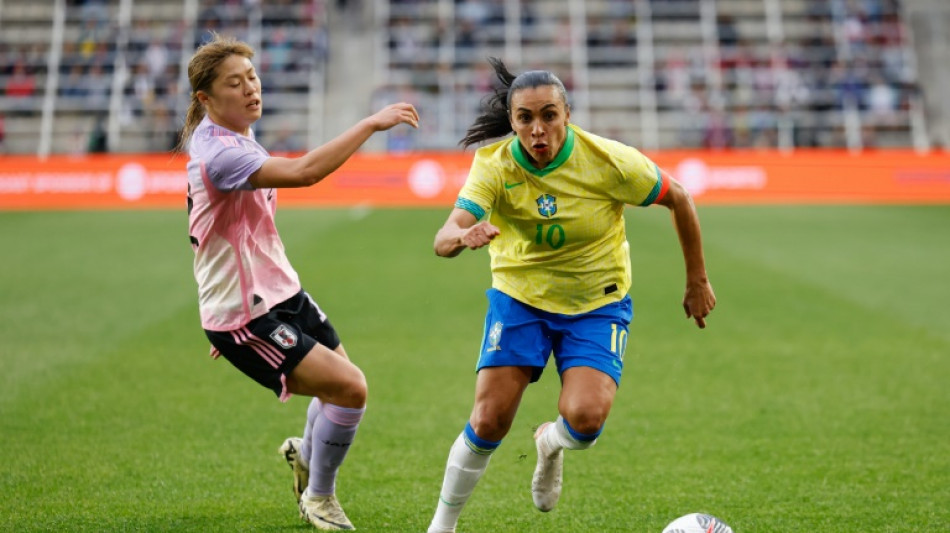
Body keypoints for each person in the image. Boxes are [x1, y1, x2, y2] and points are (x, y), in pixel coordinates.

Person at [426, 58, 716, 533]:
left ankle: (551, 442)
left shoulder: (608, 161)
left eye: (549, 115)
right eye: (525, 118)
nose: (538, 129)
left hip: (596, 302)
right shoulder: (494, 167)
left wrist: (697, 279)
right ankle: (442, 526)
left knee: (584, 420)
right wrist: (461, 237)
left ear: (566, 114)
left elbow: (679, 197)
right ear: (513, 120)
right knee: (490, 419)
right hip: (521, 298)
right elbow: (444, 237)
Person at [179, 34, 418, 531]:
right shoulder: (220, 154)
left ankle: (307, 455)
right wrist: (371, 123)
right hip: (248, 314)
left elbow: (212, 234)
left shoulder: (234, 136)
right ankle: (320, 498)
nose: (251, 89)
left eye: (253, 77)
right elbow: (306, 172)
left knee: (340, 391)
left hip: (281, 294)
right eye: (235, 83)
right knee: (351, 389)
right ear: (205, 98)